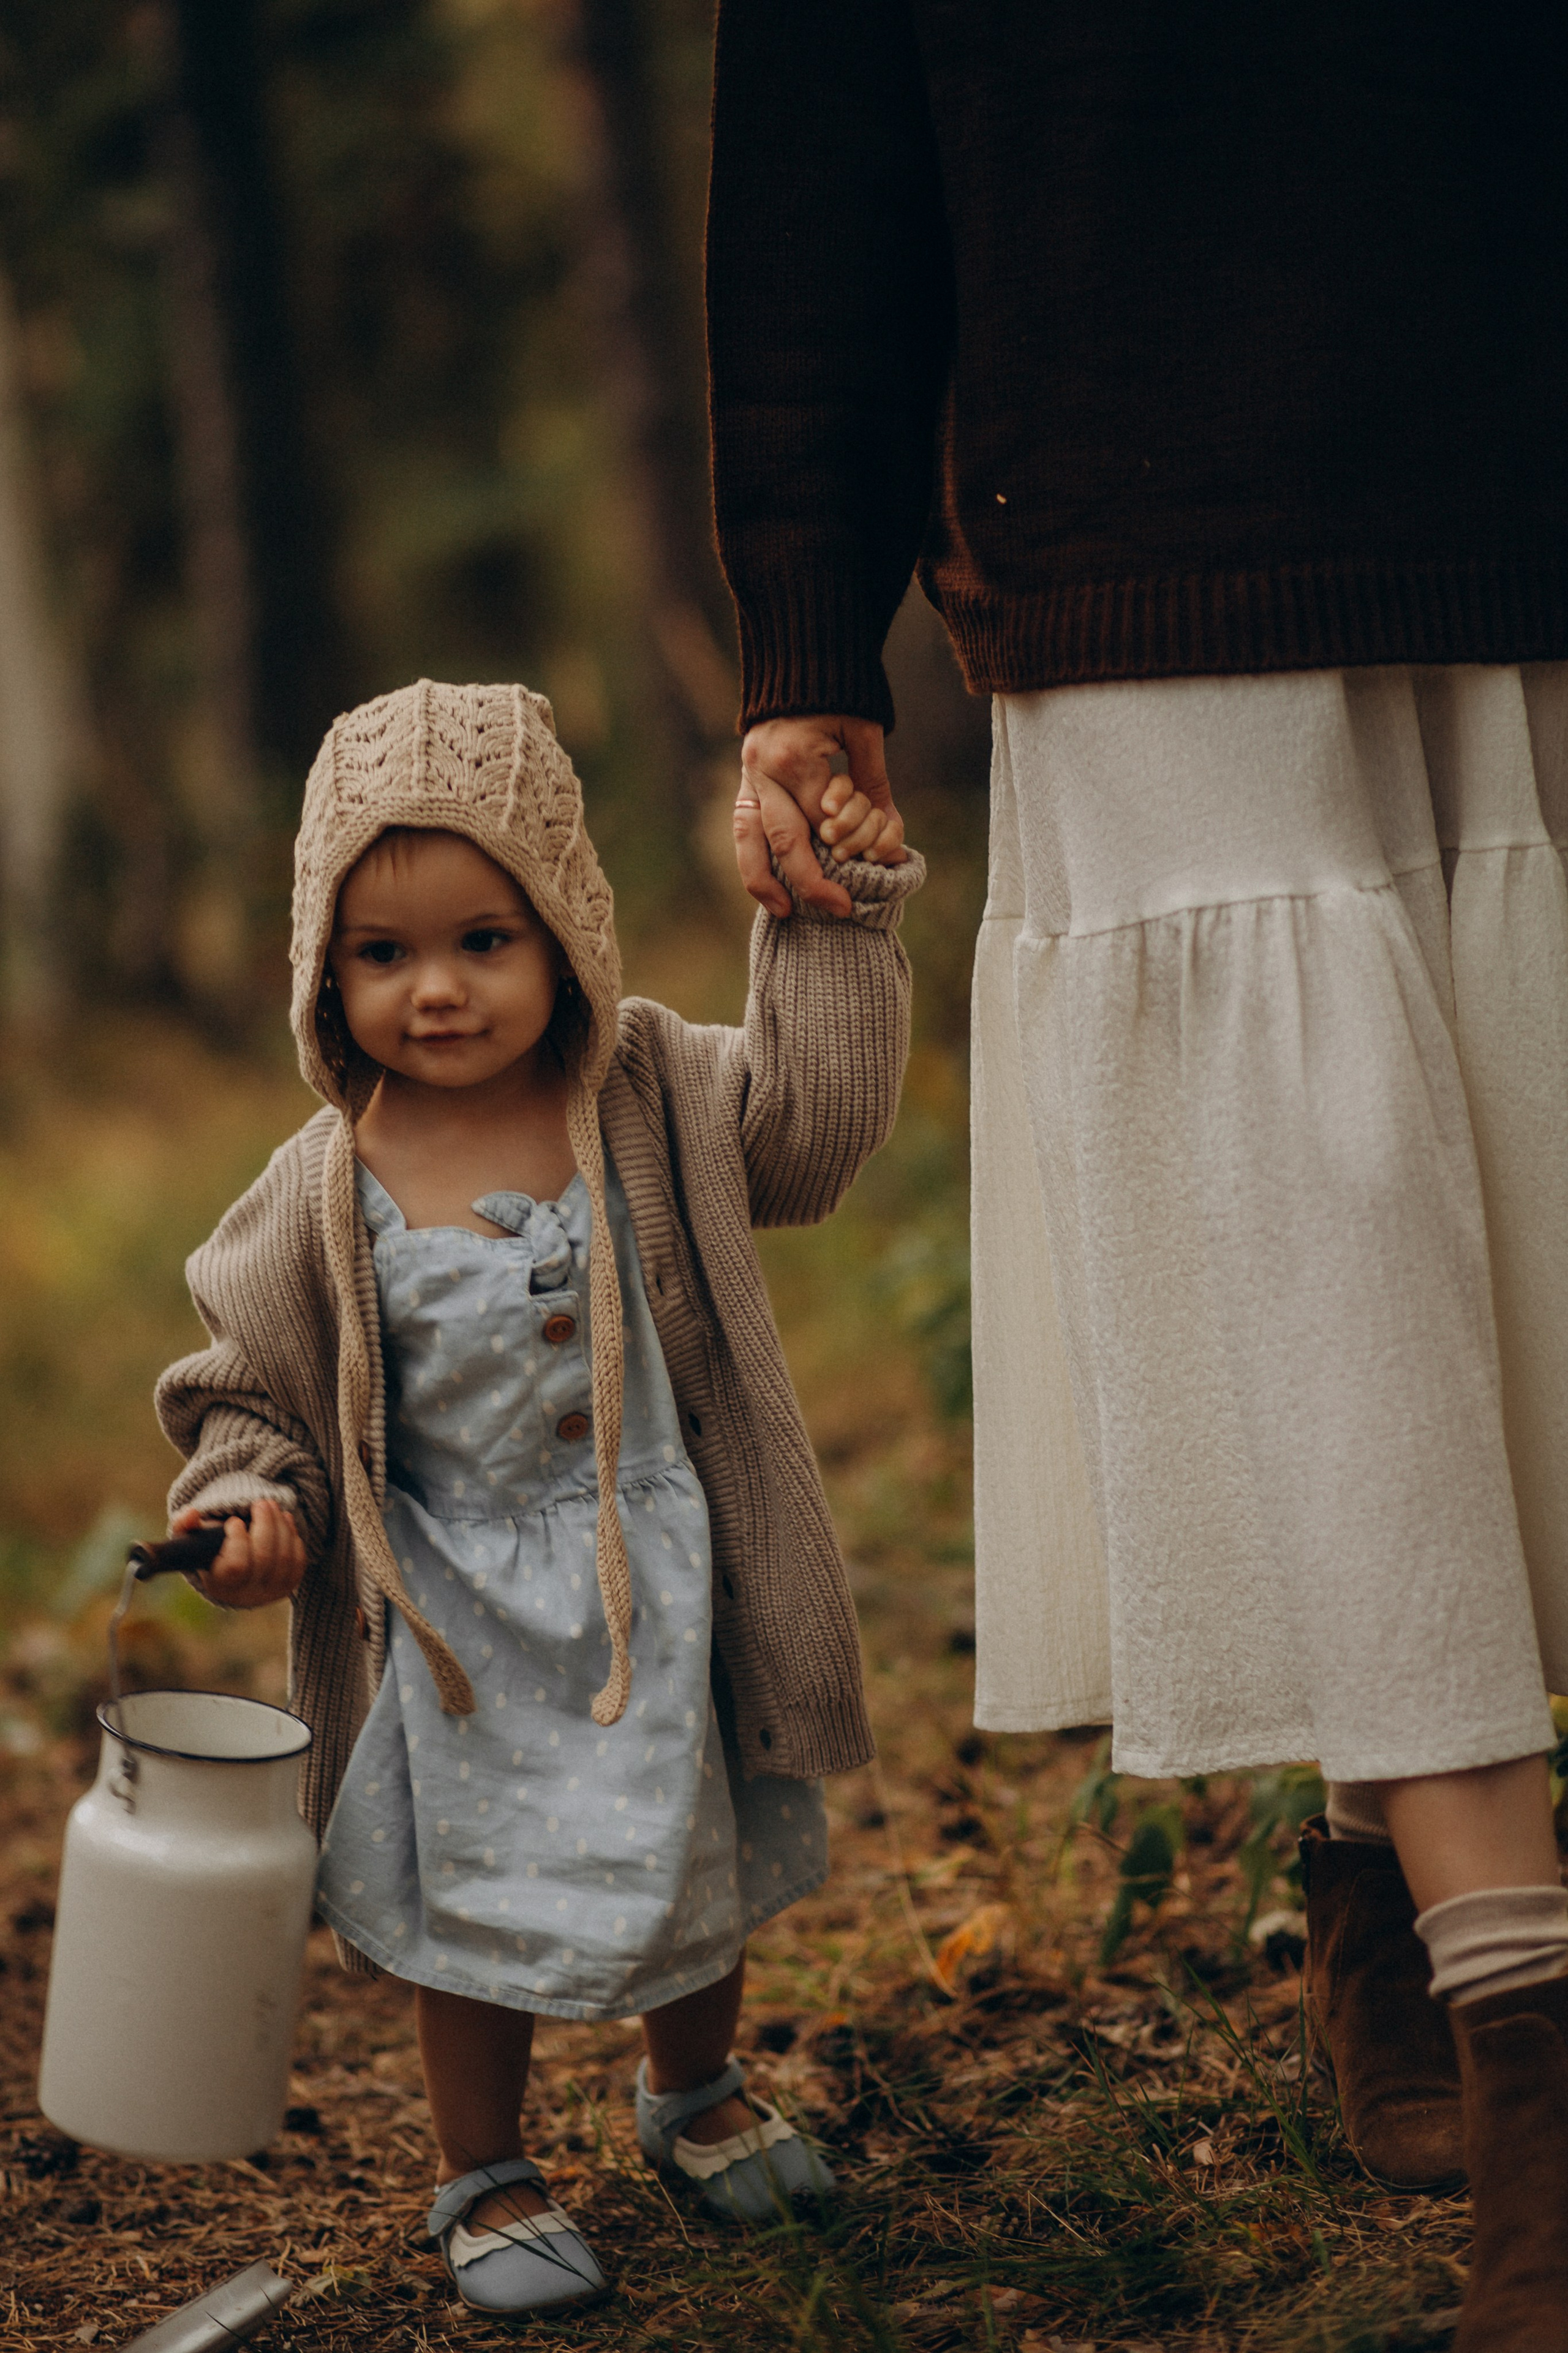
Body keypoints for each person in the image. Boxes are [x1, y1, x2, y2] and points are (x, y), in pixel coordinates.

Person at [706, 6, 1568, 2343]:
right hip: (1137, 512)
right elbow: (820, 153)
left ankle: (1383, 1865)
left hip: (1513, 457)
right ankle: (1534, 2062)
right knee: (1342, 1245)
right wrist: (808, 634)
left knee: (1498, 1216)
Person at [154, 678, 918, 2319]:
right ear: (324, 968)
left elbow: (813, 1132)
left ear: (566, 925)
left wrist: (831, 920)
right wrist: (245, 1502)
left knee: (686, 1845)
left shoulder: (646, 1092)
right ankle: (484, 2163)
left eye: (483, 940)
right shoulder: (320, 1184)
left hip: (651, 1566)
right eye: (383, 952)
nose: (434, 989)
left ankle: (692, 2089)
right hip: (453, 1619)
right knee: (466, 1898)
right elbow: (244, 1387)